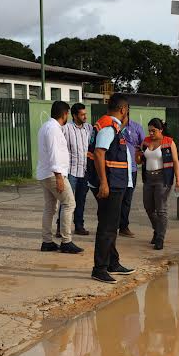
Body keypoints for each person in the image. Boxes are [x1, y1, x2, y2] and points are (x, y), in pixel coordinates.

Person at [88, 93, 136, 284]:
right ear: (123, 110)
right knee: (107, 228)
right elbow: (100, 153)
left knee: (111, 225)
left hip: (116, 183)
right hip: (111, 184)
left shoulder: (111, 125)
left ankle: (112, 263)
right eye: (128, 110)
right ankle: (99, 268)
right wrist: (104, 183)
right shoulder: (109, 126)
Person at [36, 101, 82, 255]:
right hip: (54, 174)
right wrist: (59, 177)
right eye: (67, 113)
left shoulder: (46, 127)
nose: (67, 116)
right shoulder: (54, 129)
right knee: (69, 203)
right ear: (64, 114)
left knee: (50, 207)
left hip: (46, 173)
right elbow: (55, 153)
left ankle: (47, 241)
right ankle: (66, 241)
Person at [140, 118, 179, 251]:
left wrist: (178, 181)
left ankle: (160, 238)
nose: (151, 133)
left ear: (161, 130)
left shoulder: (169, 142)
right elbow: (140, 159)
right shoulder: (146, 141)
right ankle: (157, 229)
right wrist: (137, 155)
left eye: (154, 131)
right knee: (148, 207)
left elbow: (175, 162)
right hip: (148, 178)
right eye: (149, 131)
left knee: (161, 209)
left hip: (163, 178)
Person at [59, 102, 92, 237]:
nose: (85, 116)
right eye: (82, 114)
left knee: (81, 199)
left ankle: (79, 226)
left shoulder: (89, 128)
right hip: (71, 171)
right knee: (66, 201)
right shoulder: (66, 129)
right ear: (74, 115)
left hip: (84, 171)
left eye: (85, 114)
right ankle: (60, 228)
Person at [119, 110, 145, 238]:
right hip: (117, 169)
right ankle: (113, 226)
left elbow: (143, 146)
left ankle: (123, 227)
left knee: (127, 199)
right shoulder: (114, 127)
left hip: (132, 169)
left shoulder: (137, 128)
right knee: (116, 199)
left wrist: (139, 156)